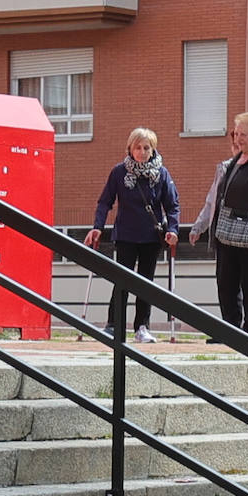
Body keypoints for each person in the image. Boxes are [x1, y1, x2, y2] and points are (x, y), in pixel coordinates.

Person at [187, 112, 248, 338]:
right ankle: (229, 329)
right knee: (226, 283)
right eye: (236, 133)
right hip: (226, 234)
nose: (238, 138)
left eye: (243, 134)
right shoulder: (235, 161)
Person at [83, 127, 180, 343]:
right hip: (126, 235)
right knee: (122, 281)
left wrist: (173, 229)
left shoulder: (161, 174)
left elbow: (172, 205)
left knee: (146, 283)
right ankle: (113, 324)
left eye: (147, 147)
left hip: (150, 237)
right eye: (138, 147)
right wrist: (98, 226)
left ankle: (142, 327)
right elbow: (105, 201)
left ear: (153, 149)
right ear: (130, 148)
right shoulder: (119, 172)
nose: (142, 151)